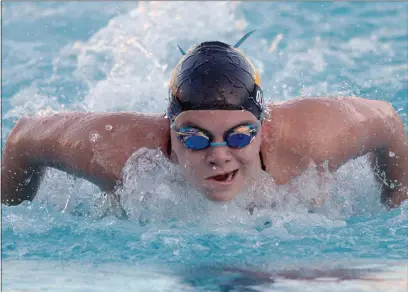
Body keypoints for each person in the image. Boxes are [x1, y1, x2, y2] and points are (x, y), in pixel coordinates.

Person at [2, 33, 407, 208]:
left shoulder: (312, 140)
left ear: (263, 128)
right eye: (195, 139)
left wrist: (396, 205)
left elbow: (387, 119)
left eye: (239, 136)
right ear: (169, 131)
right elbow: (23, 138)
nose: (218, 156)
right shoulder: (119, 152)